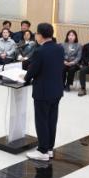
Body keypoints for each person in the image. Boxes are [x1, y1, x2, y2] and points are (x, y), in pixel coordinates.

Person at [24, 23, 64, 162]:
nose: (36, 36)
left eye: (36, 33)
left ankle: (42, 151)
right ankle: (49, 149)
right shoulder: (59, 48)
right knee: (52, 121)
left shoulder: (39, 51)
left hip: (43, 91)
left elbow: (33, 70)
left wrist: (25, 77)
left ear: (40, 35)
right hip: (56, 90)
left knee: (41, 121)